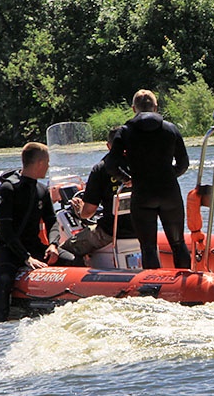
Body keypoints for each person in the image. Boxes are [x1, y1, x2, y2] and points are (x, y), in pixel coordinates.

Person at [108, 89, 190, 269]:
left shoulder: (125, 131)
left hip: (143, 193)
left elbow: (111, 164)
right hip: (170, 193)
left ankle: (153, 290)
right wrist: (167, 176)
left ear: (133, 108)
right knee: (178, 243)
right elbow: (183, 163)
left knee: (148, 247)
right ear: (155, 107)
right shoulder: (170, 129)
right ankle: (186, 286)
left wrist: (128, 179)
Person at [0, 142, 71, 323]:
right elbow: (6, 230)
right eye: (48, 162)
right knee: (3, 282)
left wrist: (53, 244)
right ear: (40, 163)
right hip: (8, 250)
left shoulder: (41, 190)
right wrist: (27, 258)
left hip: (34, 247)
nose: (49, 166)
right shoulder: (8, 189)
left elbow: (52, 221)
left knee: (73, 261)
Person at [61, 128, 136, 265]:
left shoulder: (101, 168)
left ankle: (78, 279)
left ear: (109, 146)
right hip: (143, 228)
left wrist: (79, 210)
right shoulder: (144, 163)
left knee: (65, 249)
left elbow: (88, 213)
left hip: (110, 232)